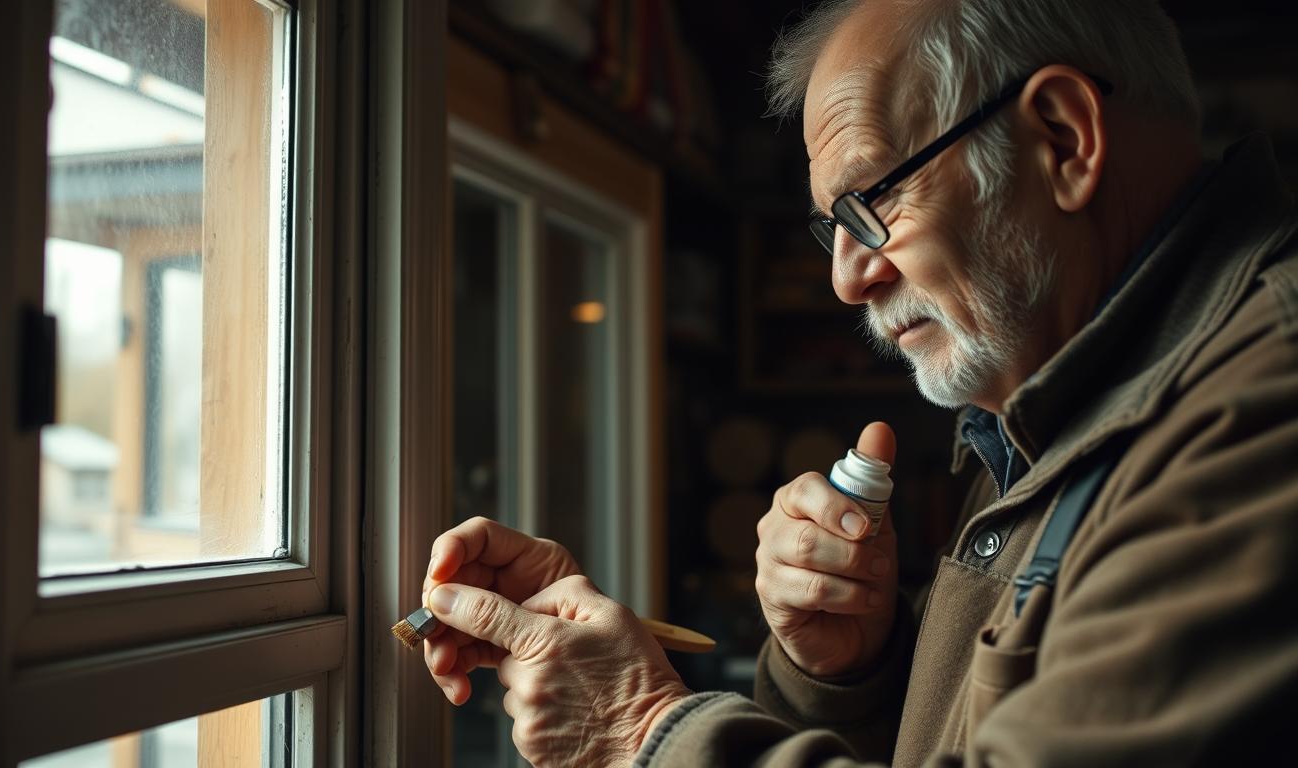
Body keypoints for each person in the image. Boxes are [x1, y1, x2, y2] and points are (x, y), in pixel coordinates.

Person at [419, 0, 1298, 764]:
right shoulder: (1055, 398)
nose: (848, 278)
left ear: (1064, 140)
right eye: (831, 226)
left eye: (871, 201)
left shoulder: (1258, 402)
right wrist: (851, 670)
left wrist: (643, 730)